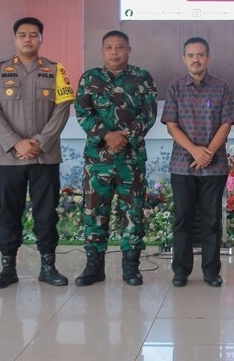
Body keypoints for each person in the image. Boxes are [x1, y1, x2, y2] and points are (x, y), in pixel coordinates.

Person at [0, 17, 75, 290]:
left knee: (46, 214)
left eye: (33, 35)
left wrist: (39, 142)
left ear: (41, 39)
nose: (27, 39)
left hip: (44, 157)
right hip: (8, 158)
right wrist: (16, 143)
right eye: (22, 34)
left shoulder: (56, 70)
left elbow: (62, 109)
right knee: (8, 214)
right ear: (14, 39)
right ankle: (7, 268)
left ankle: (48, 267)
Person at [74, 30, 157, 286]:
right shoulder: (90, 78)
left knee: (132, 213)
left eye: (119, 47)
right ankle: (94, 267)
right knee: (94, 212)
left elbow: (149, 114)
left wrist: (125, 137)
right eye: (109, 47)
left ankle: (131, 267)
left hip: (131, 160)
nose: (114, 52)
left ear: (128, 50)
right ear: (102, 51)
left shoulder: (142, 77)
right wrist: (107, 136)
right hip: (97, 160)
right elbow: (82, 113)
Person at [161, 37, 234, 288]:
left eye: (201, 55)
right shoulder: (175, 87)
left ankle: (211, 271)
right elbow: (171, 125)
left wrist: (208, 152)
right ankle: (180, 271)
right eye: (191, 55)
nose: (196, 59)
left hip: (214, 166)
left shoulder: (222, 87)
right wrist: (195, 150)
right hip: (182, 164)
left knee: (211, 220)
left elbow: (226, 123)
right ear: (184, 59)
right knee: (182, 219)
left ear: (208, 57)